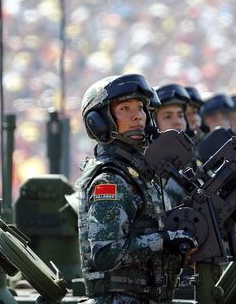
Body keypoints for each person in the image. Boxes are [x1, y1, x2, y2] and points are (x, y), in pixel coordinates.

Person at [76, 73, 198, 303]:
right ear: (100, 121)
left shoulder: (140, 174)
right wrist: (165, 240)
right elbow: (104, 254)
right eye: (124, 108)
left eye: (141, 108)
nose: (137, 116)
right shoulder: (110, 180)